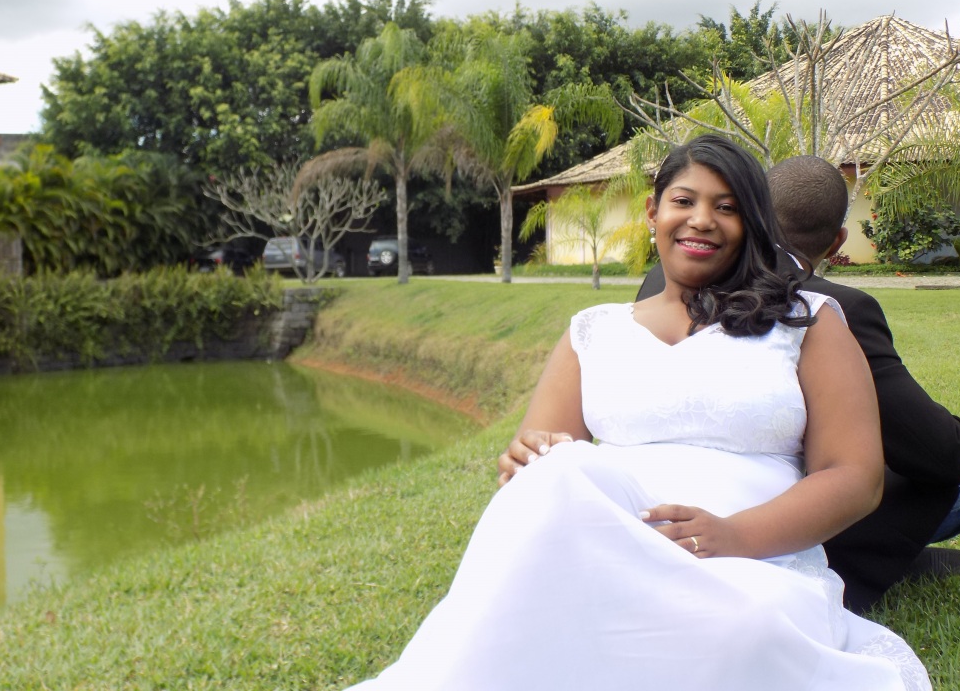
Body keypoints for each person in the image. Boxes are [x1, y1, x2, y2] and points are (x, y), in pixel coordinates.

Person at [348, 135, 930, 690]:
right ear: (654, 213)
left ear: (753, 223)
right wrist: (526, 459)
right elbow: (544, 471)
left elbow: (855, 476)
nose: (702, 219)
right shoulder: (595, 330)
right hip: (611, 552)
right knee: (560, 470)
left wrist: (733, 535)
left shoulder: (806, 321)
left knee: (740, 636)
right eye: (684, 201)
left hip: (755, 561)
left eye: (726, 207)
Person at [636, 154, 960, 612]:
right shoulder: (827, 307)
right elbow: (940, 453)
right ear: (838, 240)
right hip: (774, 524)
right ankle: (868, 558)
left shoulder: (665, 275)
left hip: (659, 510)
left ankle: (903, 553)